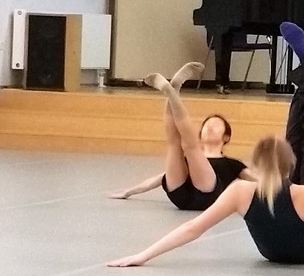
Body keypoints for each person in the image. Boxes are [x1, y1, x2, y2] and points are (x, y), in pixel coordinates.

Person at [107, 23, 304, 276]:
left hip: (271, 253)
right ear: (288, 164)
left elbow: (193, 228)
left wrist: (142, 255)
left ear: (257, 166)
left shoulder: (241, 192)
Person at [108, 62, 252, 210]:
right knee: (174, 145)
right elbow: (159, 179)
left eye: (216, 125)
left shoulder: (232, 164)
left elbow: (258, 180)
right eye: (207, 125)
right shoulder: (185, 161)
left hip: (208, 196)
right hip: (179, 195)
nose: (210, 128)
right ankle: (172, 90)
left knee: (189, 147)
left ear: (226, 137)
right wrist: (129, 192)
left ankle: (173, 91)